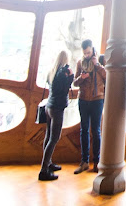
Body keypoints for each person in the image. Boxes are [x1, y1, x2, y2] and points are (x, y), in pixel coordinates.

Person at [38, 50, 73, 181]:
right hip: (57, 108)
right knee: (54, 138)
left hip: (49, 106)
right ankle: (44, 170)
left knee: (48, 136)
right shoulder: (61, 74)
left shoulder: (52, 72)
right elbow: (64, 90)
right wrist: (70, 77)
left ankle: (48, 163)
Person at [73, 39, 106, 174]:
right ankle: (84, 161)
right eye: (84, 53)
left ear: (92, 49)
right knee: (84, 130)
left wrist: (97, 65)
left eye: (88, 52)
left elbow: (107, 77)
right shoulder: (80, 63)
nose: (87, 55)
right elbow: (75, 82)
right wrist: (82, 77)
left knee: (96, 130)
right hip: (83, 99)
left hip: (97, 99)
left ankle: (96, 162)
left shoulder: (100, 60)